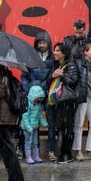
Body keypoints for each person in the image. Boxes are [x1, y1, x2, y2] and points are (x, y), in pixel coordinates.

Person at [21, 30, 56, 162]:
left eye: (44, 42)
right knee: (28, 122)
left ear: (48, 43)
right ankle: (25, 150)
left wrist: (43, 87)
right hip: (31, 94)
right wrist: (28, 89)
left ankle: (51, 149)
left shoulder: (53, 59)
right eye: (39, 43)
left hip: (46, 93)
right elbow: (24, 76)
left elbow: (52, 77)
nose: (41, 45)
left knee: (50, 121)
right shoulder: (30, 57)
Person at [48, 43, 80, 164]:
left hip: (68, 101)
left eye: (57, 51)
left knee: (67, 128)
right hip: (60, 102)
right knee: (62, 127)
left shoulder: (71, 65)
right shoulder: (57, 65)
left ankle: (67, 155)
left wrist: (61, 75)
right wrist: (53, 75)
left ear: (64, 53)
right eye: (54, 50)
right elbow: (49, 82)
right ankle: (63, 154)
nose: (55, 53)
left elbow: (73, 81)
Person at [74, 42, 91, 161]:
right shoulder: (79, 63)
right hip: (82, 96)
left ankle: (90, 151)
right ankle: (78, 151)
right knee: (79, 124)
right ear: (85, 52)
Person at [21, 85, 47, 164]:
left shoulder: (38, 105)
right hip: (27, 128)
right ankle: (28, 157)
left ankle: (35, 156)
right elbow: (25, 117)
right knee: (28, 142)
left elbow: (39, 115)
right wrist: (28, 128)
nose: (39, 100)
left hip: (35, 127)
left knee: (35, 142)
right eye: (37, 98)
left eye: (40, 98)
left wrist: (44, 123)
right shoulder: (27, 104)